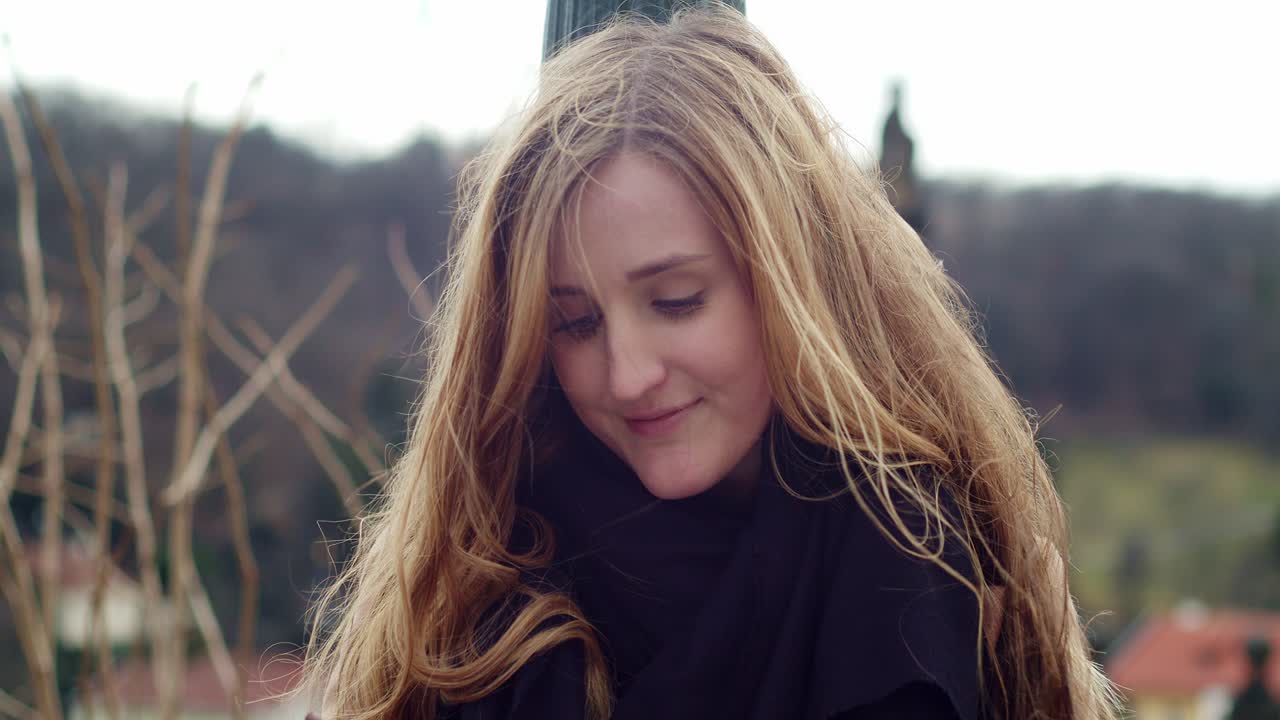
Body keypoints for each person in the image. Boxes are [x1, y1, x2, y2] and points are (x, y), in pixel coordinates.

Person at [299, 6, 1121, 719]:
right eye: (575, 323)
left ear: (793, 281)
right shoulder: (478, 585)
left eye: (676, 302)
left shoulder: (911, 561)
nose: (627, 375)